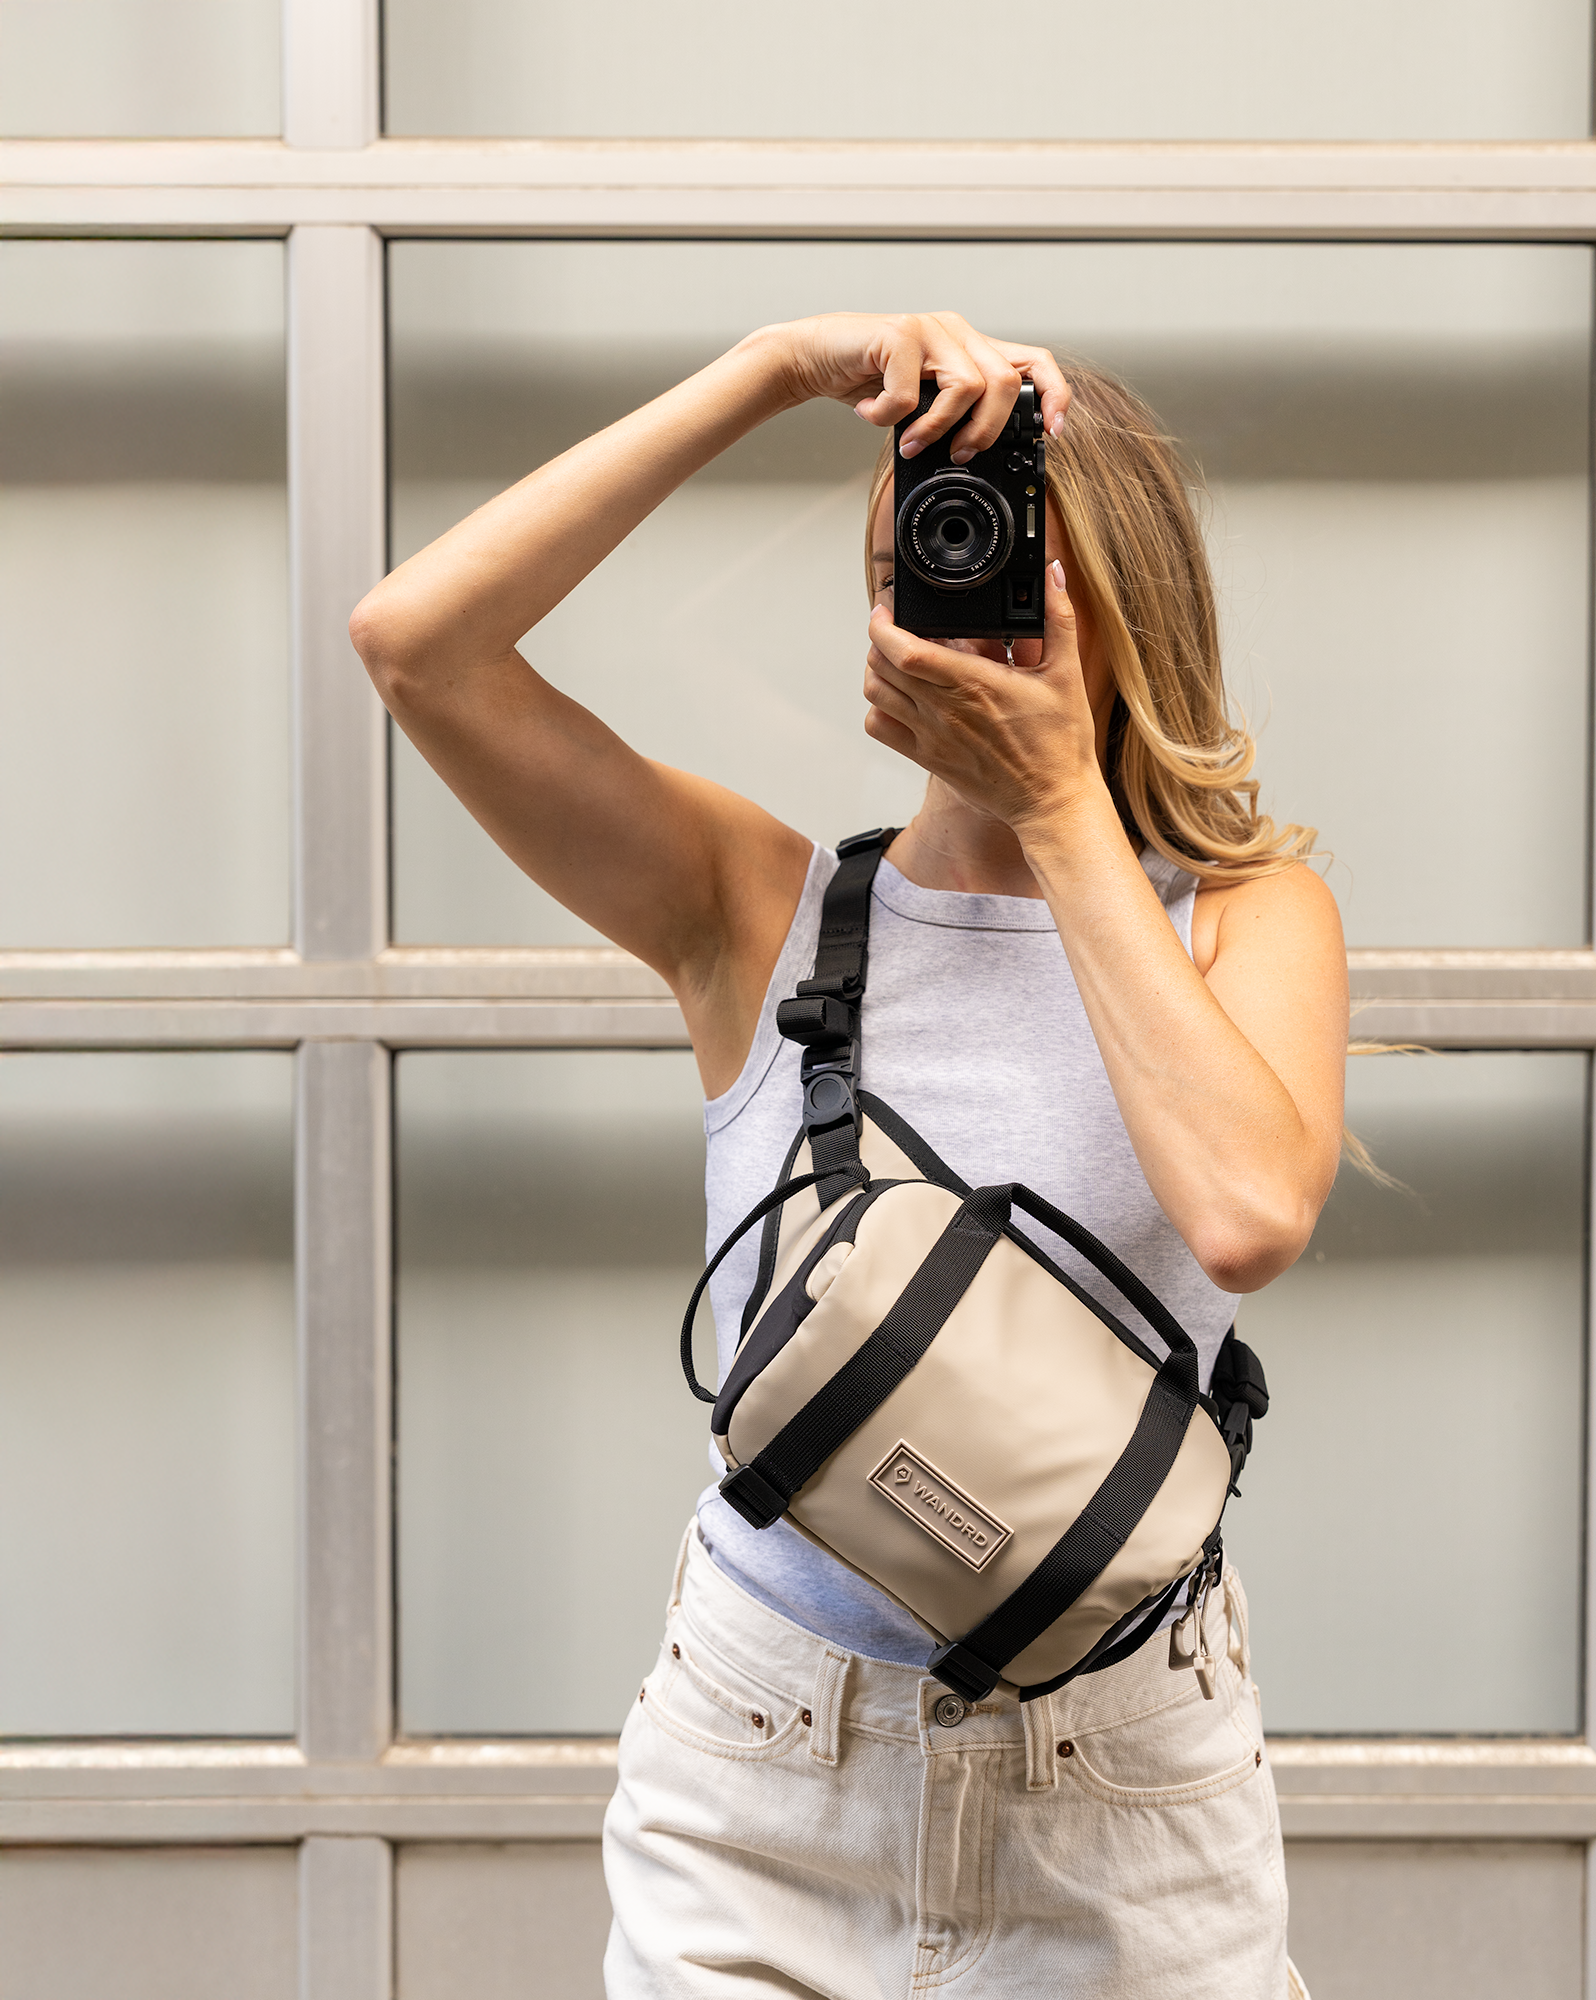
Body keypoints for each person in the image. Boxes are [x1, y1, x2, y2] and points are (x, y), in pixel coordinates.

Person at [350, 311, 1346, 2000]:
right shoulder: (760, 907)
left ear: (1128, 604)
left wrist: (1060, 808)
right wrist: (768, 372)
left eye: (1001, 560)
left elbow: (1247, 1214)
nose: (948, 601)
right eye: (911, 564)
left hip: (1121, 1792)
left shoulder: (1248, 919)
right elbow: (414, 647)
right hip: (763, 1774)